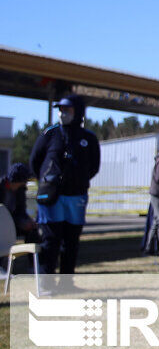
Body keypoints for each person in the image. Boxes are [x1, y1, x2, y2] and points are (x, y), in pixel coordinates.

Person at [29, 95, 100, 276]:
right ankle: (46, 282)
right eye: (61, 110)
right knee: (50, 240)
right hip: (51, 197)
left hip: (76, 197)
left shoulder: (89, 138)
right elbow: (35, 162)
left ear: (78, 112)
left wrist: (77, 181)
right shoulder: (49, 134)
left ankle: (67, 282)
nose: (63, 114)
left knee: (71, 241)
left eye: (67, 110)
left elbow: (94, 167)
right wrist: (49, 181)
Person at [3, 164, 40, 272]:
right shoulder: (1, 187)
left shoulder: (21, 190)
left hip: (14, 222)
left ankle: (33, 266)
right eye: (24, 180)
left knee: (32, 231)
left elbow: (21, 210)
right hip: (2, 224)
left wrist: (27, 221)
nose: (26, 183)